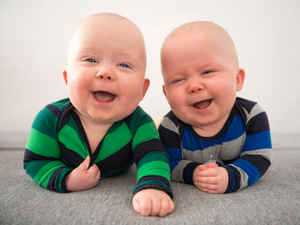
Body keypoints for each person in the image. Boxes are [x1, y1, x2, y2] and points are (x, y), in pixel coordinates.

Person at [23, 13, 174, 217]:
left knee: (156, 134)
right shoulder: (50, 119)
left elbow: (153, 155)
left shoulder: (139, 123)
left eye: (123, 65)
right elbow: (36, 161)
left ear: (142, 90)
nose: (105, 72)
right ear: (68, 79)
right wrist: (66, 179)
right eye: (91, 60)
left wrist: (153, 187)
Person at [158, 21, 272, 194]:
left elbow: (259, 157)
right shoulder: (171, 126)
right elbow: (169, 163)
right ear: (166, 94)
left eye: (207, 72)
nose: (194, 86)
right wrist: (194, 172)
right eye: (179, 80)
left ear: (237, 79)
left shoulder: (251, 116)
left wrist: (231, 176)